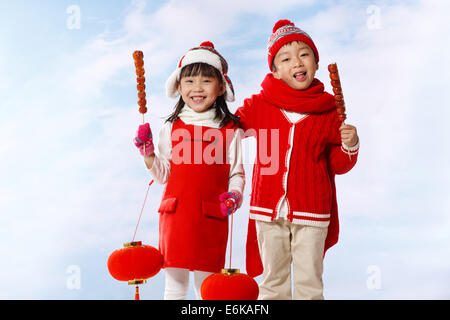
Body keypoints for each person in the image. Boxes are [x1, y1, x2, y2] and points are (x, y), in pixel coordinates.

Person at [236, 19, 360, 300]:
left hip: (312, 211)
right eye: (286, 58)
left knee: (309, 283)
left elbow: (338, 165)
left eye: (304, 54)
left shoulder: (329, 112)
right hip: (267, 209)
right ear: (275, 71)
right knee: (272, 283)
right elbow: (231, 129)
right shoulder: (260, 105)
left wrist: (349, 144)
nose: (296, 62)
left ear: (316, 63)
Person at [133, 41, 245, 300]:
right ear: (179, 86)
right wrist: (148, 153)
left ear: (220, 88)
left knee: (208, 290)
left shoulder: (229, 130)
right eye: (190, 81)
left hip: (211, 219)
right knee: (174, 288)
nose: (197, 88)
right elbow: (163, 175)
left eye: (206, 81)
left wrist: (235, 196)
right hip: (176, 216)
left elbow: (236, 174)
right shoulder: (171, 127)